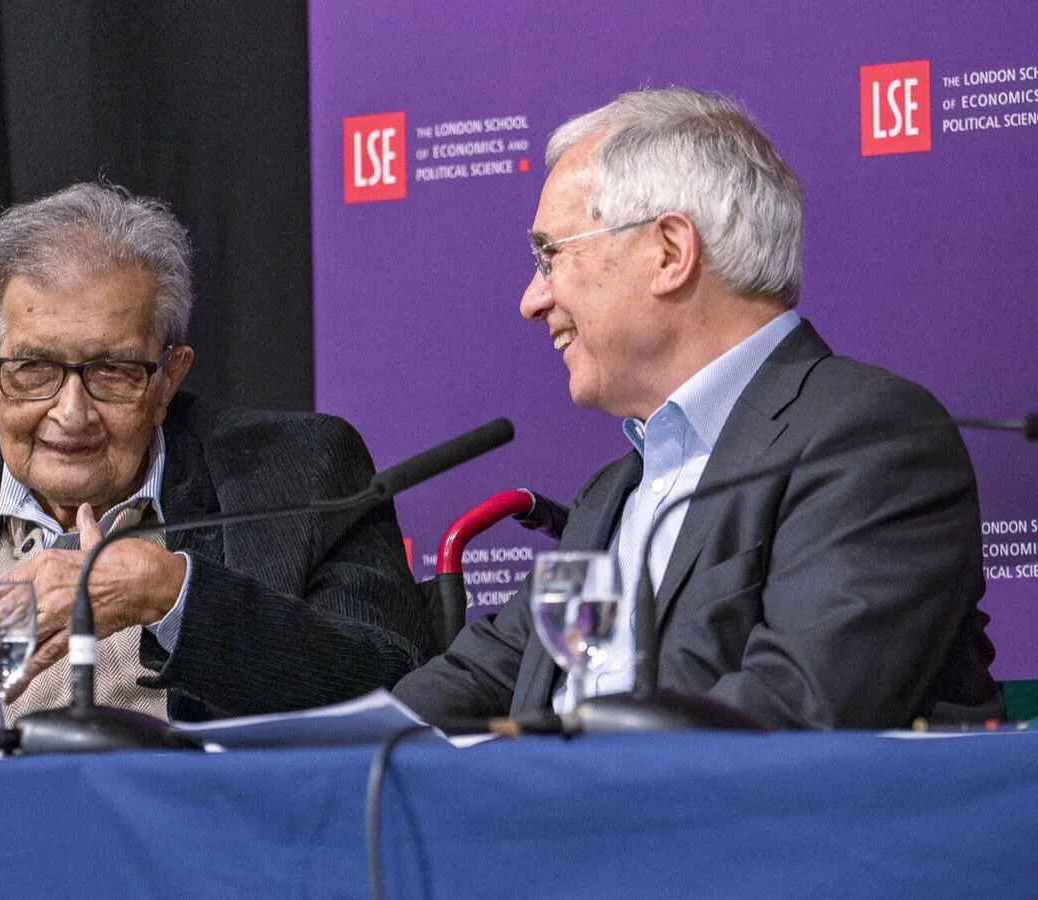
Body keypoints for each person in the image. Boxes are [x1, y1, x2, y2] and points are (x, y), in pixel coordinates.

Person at [394, 87, 1002, 730]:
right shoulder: (615, 489)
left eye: (550, 255)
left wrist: (548, 765)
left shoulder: (871, 440)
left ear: (669, 254)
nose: (531, 299)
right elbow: (488, 672)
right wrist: (317, 755)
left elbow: (796, 709)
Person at [0, 182, 431, 742]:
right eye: (33, 370)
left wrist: (171, 594)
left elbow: (402, 689)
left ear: (168, 378)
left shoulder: (300, 474)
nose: (72, 413)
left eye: (113, 371)